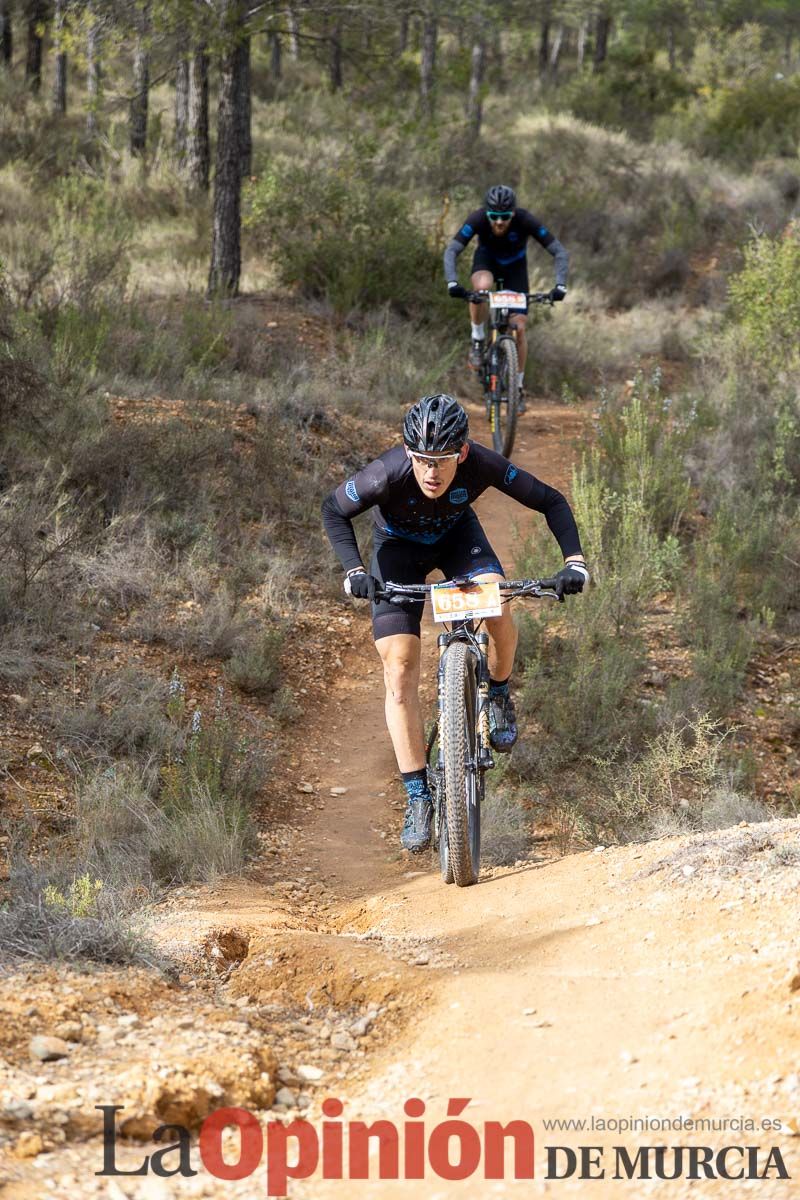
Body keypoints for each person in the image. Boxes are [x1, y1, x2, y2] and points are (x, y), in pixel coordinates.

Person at [321, 394, 588, 854]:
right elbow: (333, 509)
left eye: (442, 460)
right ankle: (418, 796)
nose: (431, 472)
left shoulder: (481, 463)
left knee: (498, 604)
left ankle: (499, 693)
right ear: (408, 452)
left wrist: (575, 562)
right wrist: (354, 571)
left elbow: (550, 500)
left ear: (461, 453)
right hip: (396, 552)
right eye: (422, 459)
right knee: (400, 667)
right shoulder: (385, 474)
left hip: (458, 542)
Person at [444, 184, 568, 393]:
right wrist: (452, 282)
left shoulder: (525, 219)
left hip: (515, 269)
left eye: (505, 216)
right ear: (487, 213)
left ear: (513, 213)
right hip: (487, 262)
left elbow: (559, 251)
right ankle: (477, 338)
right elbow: (452, 249)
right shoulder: (478, 218)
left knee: (519, 328)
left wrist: (560, 285)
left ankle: (517, 386)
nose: (499, 222)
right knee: (481, 289)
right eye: (494, 216)